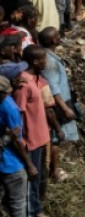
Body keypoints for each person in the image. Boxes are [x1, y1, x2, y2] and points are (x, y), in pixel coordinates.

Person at [14, 45, 60, 217]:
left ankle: (37, 207)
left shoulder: (35, 79)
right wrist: (22, 140)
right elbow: (19, 114)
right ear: (34, 61)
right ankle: (34, 211)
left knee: (39, 176)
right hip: (30, 140)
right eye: (43, 58)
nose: (45, 61)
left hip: (40, 137)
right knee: (32, 178)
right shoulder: (24, 84)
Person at [38, 27, 78, 184]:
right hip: (58, 104)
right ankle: (54, 172)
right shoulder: (50, 62)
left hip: (60, 102)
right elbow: (53, 88)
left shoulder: (48, 57)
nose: (60, 37)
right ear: (54, 40)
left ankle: (53, 169)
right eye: (58, 35)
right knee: (56, 138)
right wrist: (65, 108)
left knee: (56, 138)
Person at [0, 72, 32, 217]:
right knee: (18, 206)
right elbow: (17, 142)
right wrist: (29, 164)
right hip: (12, 165)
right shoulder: (10, 108)